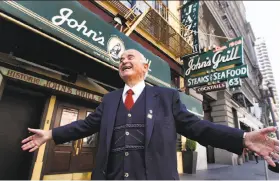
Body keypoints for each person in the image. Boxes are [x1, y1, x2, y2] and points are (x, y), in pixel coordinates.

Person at [22, 49, 279, 180]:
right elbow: (86, 125)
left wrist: (242, 138)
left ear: (146, 67)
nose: (123, 60)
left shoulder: (166, 97)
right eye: (120, 59)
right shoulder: (110, 99)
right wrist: (51, 133)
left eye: (130, 56)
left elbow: (196, 127)